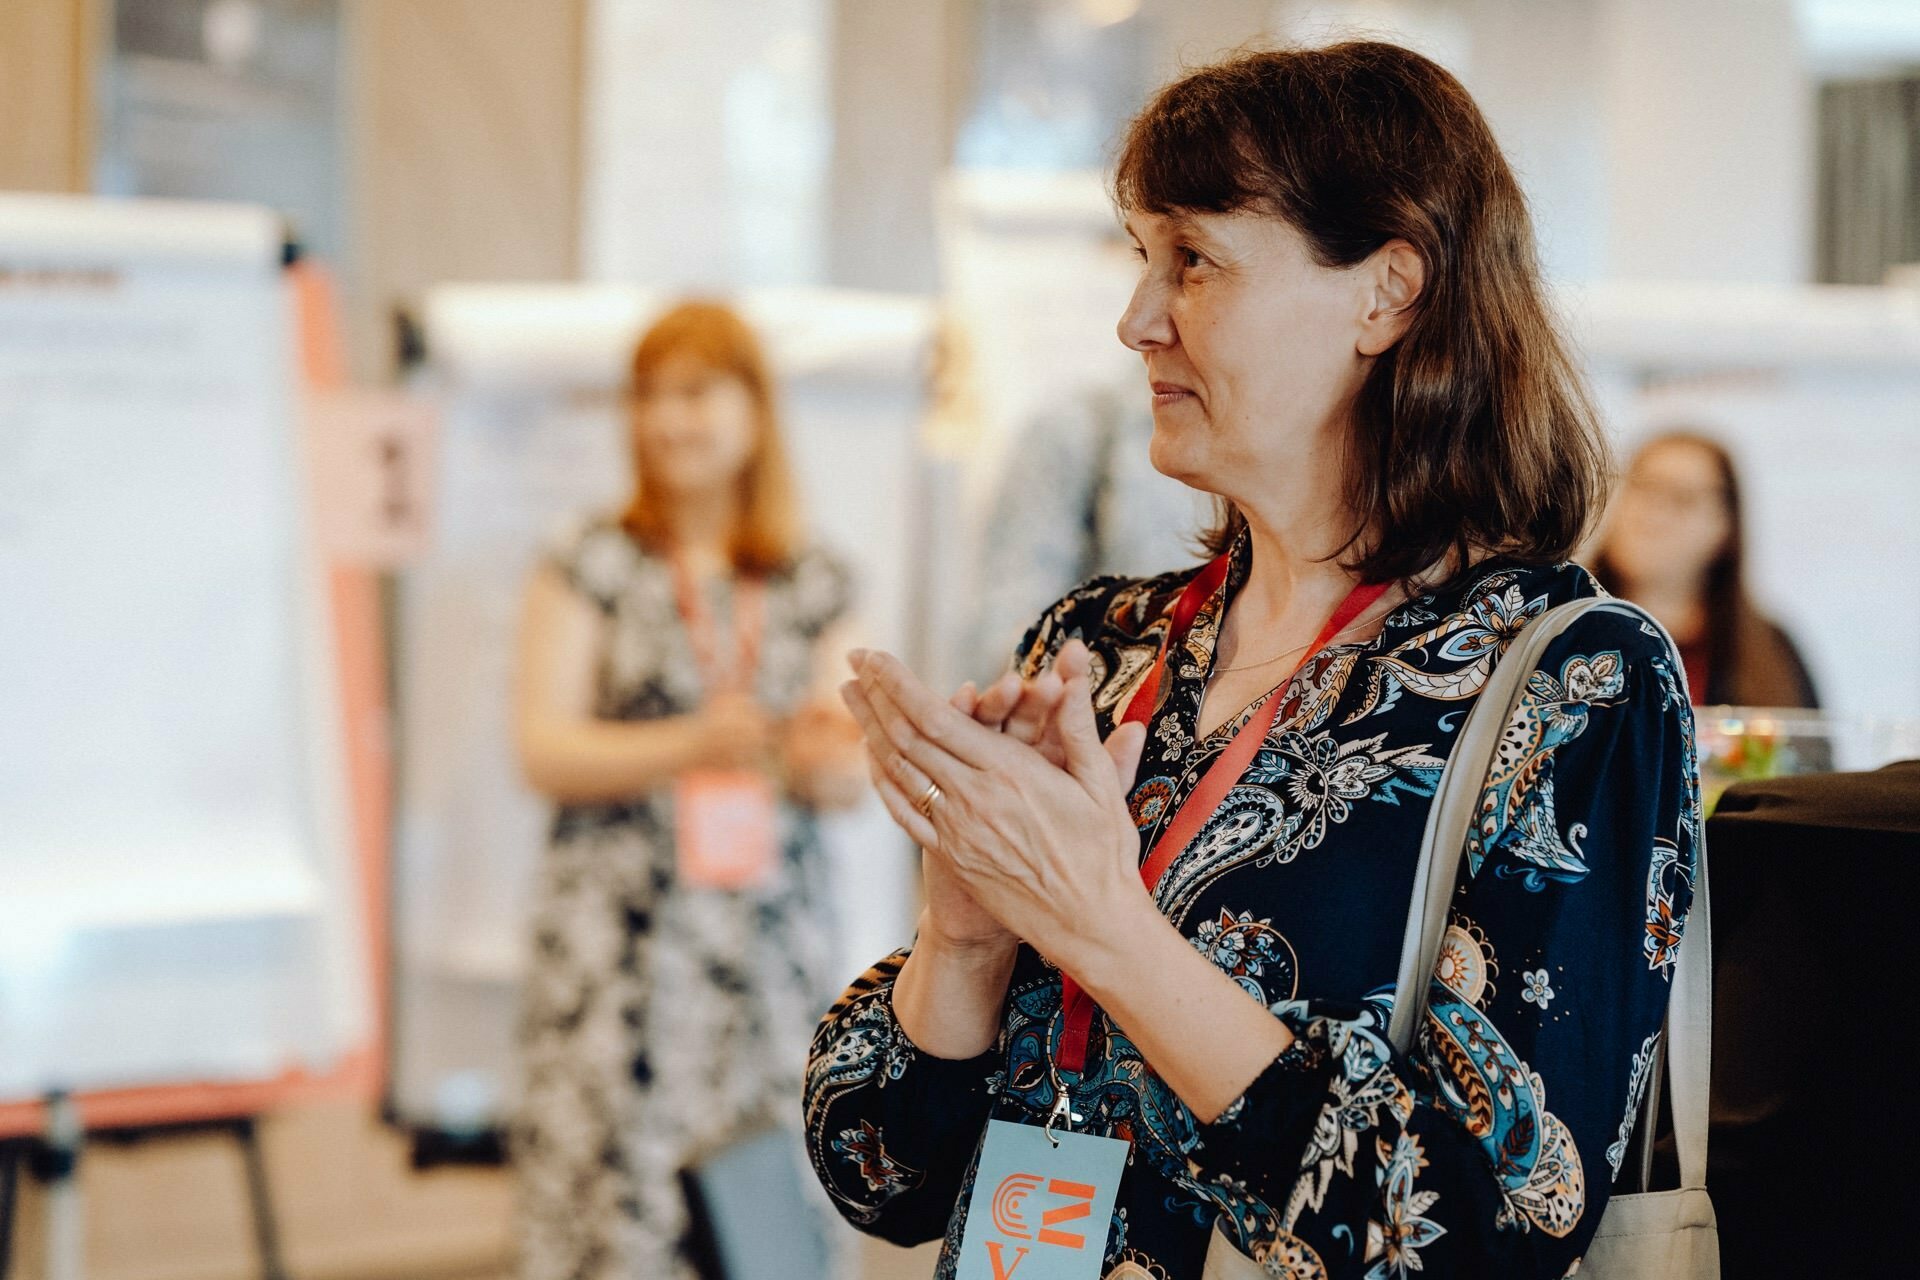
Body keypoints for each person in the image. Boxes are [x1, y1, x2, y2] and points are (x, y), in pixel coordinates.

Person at [808, 42, 1702, 1279]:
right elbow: (883, 1176)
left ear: (1388, 292)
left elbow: (1487, 1223)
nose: (1138, 321)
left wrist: (1102, 926)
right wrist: (966, 936)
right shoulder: (1102, 649)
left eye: (1196, 261)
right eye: (1141, 259)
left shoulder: (1571, 679)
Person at [512, 300, 862, 1280]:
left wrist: (817, 755)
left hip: (765, 949)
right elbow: (544, 748)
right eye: (651, 397)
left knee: (761, 1213)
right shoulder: (592, 559)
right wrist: (689, 742)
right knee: (610, 1207)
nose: (671, 419)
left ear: (756, 408)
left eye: (697, 392)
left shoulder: (813, 574)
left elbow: (845, 777)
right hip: (616, 947)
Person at [1592, 430, 1820, 708]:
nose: (1653, 515)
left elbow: (1810, 749)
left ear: (1725, 526)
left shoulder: (1770, 652)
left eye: (1682, 499)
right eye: (1642, 488)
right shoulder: (1560, 627)